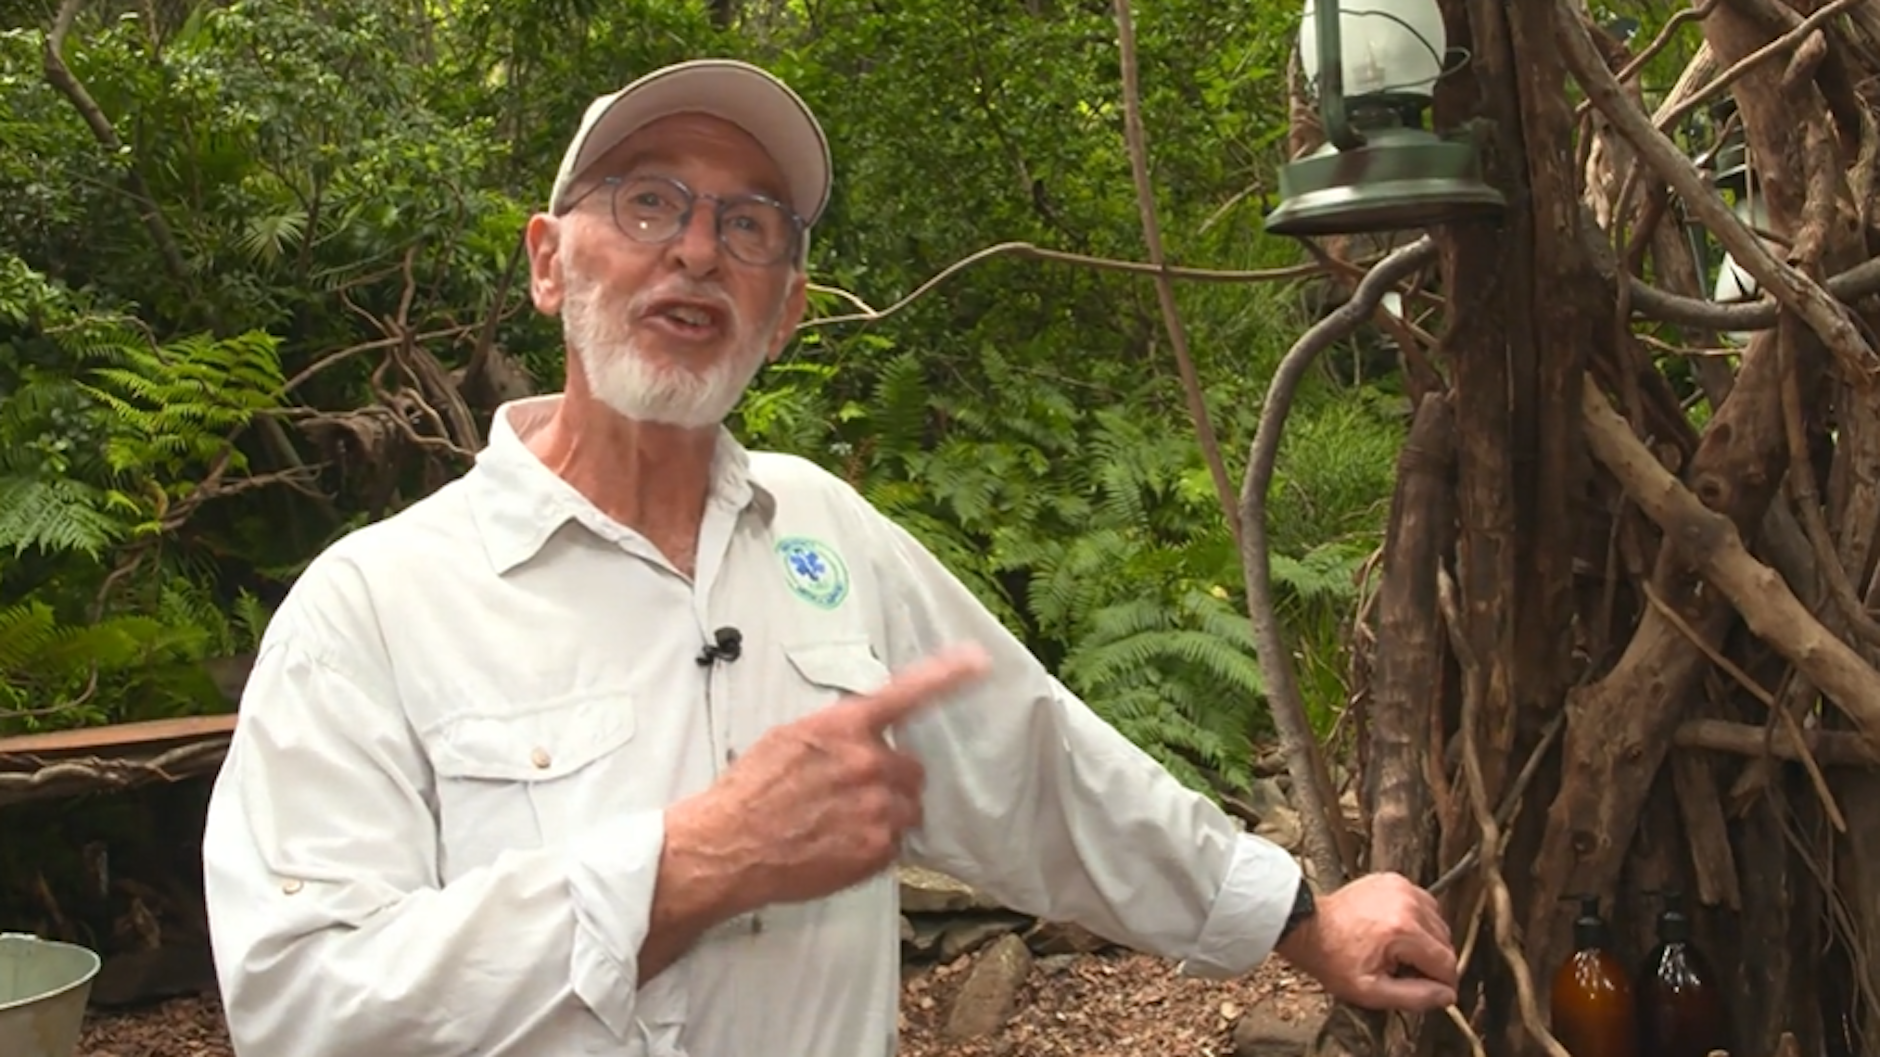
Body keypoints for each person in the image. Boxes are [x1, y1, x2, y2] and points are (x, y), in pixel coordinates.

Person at [199, 57, 1458, 1057]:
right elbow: (301, 1002)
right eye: (648, 202)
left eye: (750, 225)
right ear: (546, 261)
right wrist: (681, 870)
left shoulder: (822, 532)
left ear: (786, 309)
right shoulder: (376, 605)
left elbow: (1041, 767)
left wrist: (1296, 917)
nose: (698, 250)